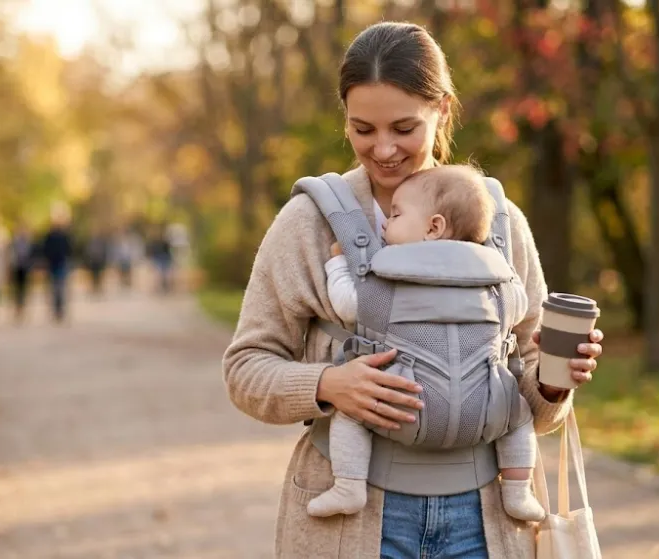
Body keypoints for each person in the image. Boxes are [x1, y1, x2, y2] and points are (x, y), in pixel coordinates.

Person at [221, 22, 605, 558]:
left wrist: (556, 382)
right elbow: (245, 368)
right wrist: (329, 384)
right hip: (351, 523)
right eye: (363, 129)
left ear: (442, 110)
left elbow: (535, 405)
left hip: (485, 520)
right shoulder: (309, 222)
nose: (383, 149)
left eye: (404, 127)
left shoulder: (499, 224)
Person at [308, 165, 544, 523]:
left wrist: (339, 263)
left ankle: (349, 486)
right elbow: (519, 308)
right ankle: (517, 490)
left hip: (400, 408)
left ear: (433, 227)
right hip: (485, 411)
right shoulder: (496, 281)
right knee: (519, 417)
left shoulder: (389, 282)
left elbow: (347, 305)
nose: (385, 224)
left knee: (350, 416)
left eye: (396, 215)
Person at [41, 208, 73, 323]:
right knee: (55, 289)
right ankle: (56, 310)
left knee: (60, 288)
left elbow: (69, 249)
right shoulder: (50, 235)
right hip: (52, 264)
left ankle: (60, 310)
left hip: (61, 263)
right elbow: (45, 250)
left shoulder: (64, 235)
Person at [8, 222, 36, 322]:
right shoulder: (14, 242)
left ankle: (24, 309)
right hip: (17, 268)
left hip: (26, 268)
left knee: (25, 290)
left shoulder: (29, 242)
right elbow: (11, 255)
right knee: (17, 290)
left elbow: (32, 256)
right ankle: (18, 310)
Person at [83, 229, 111, 295]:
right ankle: (94, 287)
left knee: (99, 275)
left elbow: (104, 251)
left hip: (99, 261)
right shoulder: (90, 242)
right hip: (93, 261)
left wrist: (104, 259)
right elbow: (88, 252)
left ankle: (98, 287)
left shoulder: (101, 242)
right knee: (93, 275)